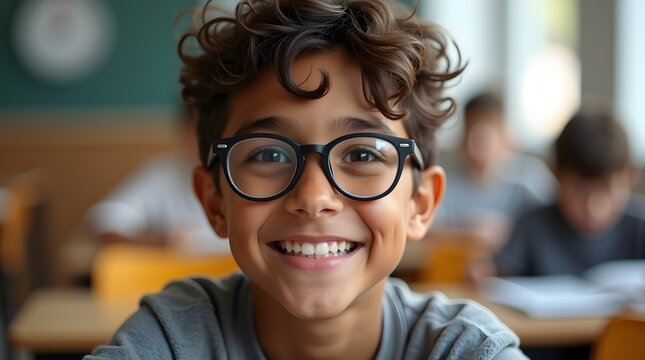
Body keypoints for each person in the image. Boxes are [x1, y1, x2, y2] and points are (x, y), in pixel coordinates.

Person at [85, 1, 526, 358]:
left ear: (421, 204)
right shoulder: (171, 341)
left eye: (362, 153)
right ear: (215, 202)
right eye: (269, 153)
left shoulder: (461, 349)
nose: (314, 197)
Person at [494, 109, 645, 277]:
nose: (593, 209)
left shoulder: (640, 228)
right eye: (580, 190)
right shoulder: (532, 227)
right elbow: (498, 279)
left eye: (607, 190)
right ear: (556, 176)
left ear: (631, 177)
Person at [85, 106, 229, 253]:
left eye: (215, 134)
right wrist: (159, 241)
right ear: (184, 130)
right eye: (199, 133)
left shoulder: (243, 173)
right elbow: (108, 217)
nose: (207, 144)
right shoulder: (165, 172)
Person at [433, 91, 556, 248]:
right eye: (472, 133)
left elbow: (554, 224)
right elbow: (429, 228)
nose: (476, 145)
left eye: (486, 136)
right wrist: (466, 232)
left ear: (504, 135)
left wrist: (507, 231)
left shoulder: (530, 177)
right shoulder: (447, 181)